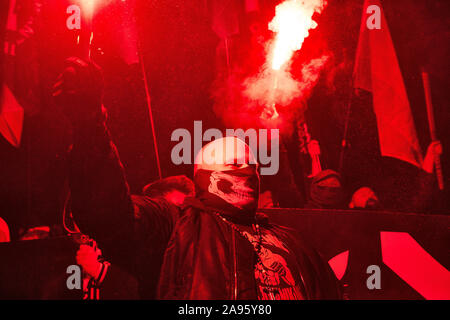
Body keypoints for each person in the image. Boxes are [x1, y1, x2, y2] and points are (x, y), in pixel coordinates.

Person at [57, 57, 341, 300]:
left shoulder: (288, 239)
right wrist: (90, 126)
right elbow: (108, 214)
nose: (246, 172)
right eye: (234, 164)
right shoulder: (179, 227)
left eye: (251, 166)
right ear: (206, 175)